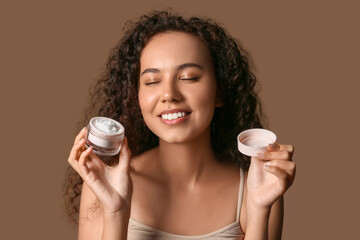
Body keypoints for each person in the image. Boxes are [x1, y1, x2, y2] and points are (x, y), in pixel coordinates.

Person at [64, 10, 296, 240]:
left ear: (220, 91)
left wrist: (258, 209)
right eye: (152, 81)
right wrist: (115, 211)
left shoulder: (259, 188)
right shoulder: (104, 181)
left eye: (188, 77)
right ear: (135, 97)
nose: (169, 94)